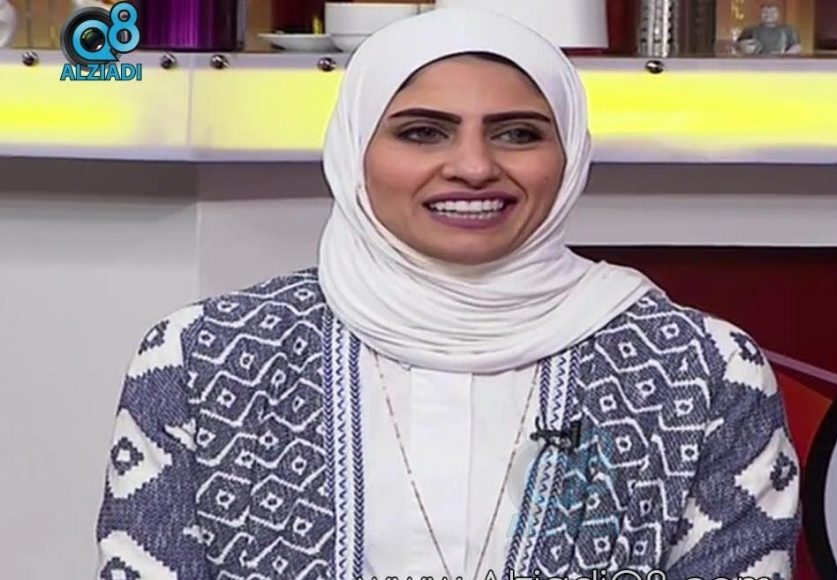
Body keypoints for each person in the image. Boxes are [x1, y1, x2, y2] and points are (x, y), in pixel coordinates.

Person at [93, 7, 800, 580]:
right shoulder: (203, 356)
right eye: (423, 132)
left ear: (570, 154)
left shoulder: (701, 368)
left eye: (517, 133)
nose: (473, 167)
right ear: (355, 150)